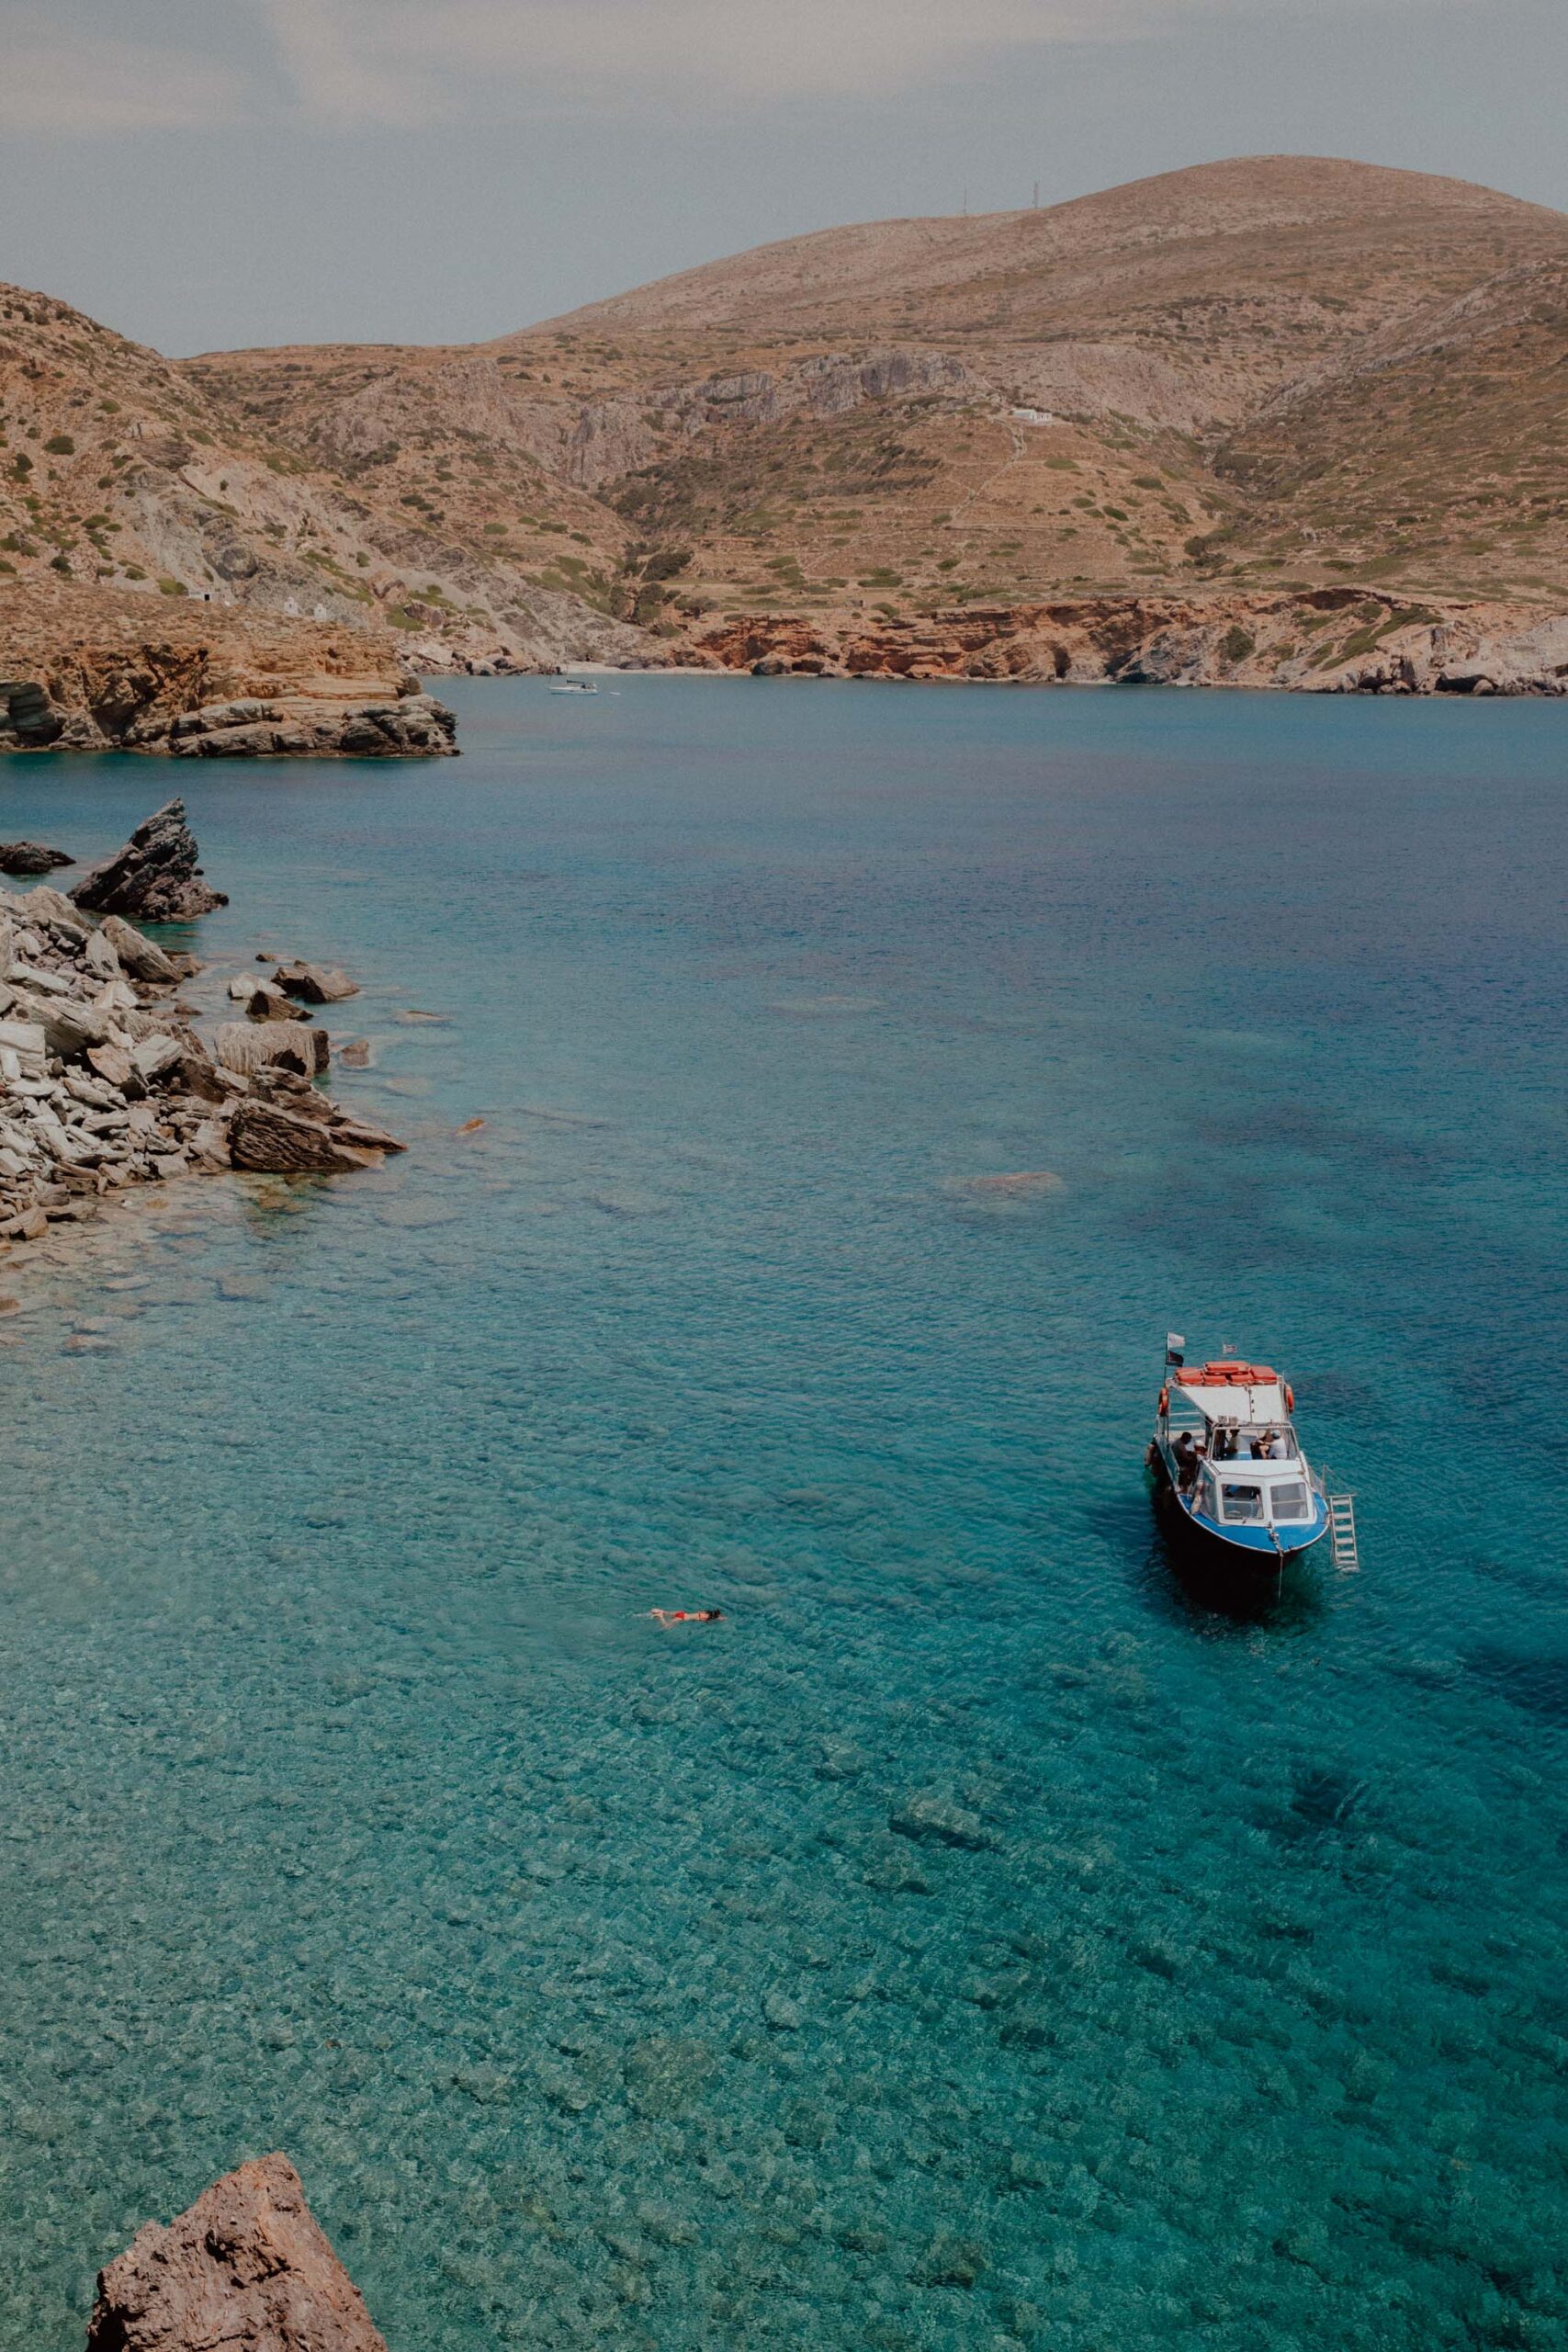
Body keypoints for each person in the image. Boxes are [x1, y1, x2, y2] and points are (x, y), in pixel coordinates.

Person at [1173, 1430, 1201, 1494]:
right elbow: (1187, 1458)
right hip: (1179, 1463)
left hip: (1177, 1459)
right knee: (1193, 1462)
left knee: (1192, 1457)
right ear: (1186, 1439)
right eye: (1189, 1440)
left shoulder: (1178, 1442)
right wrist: (1194, 1457)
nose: (1189, 1442)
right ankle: (1189, 1479)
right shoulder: (1181, 1446)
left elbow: (1184, 1453)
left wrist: (1191, 1453)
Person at [648, 1608, 724, 1624]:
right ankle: (660, 1616)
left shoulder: (704, 1612)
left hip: (682, 1613)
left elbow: (699, 1612)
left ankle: (658, 1611)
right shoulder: (705, 1618)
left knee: (666, 1613)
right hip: (682, 1618)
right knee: (666, 1627)